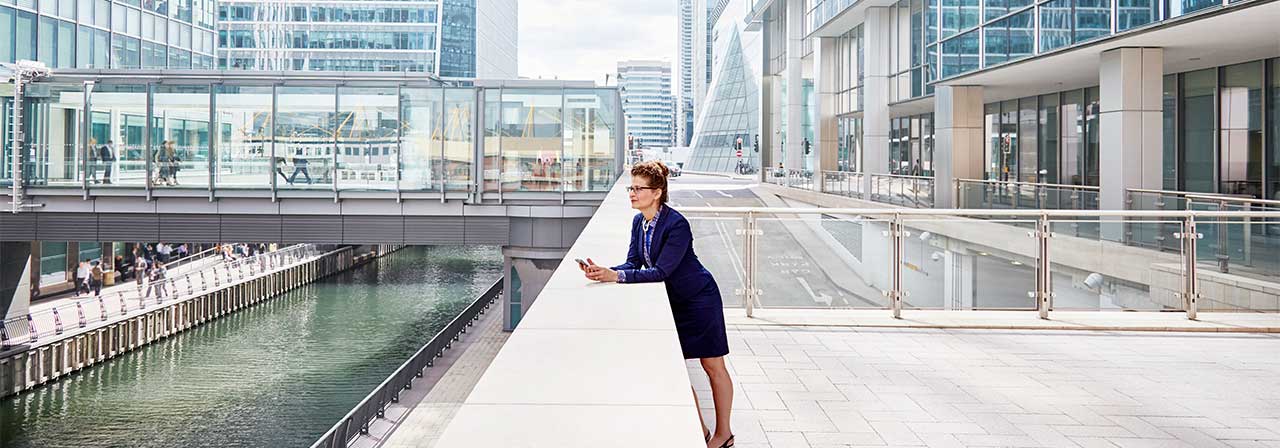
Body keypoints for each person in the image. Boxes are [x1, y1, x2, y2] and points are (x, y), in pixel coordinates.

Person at [580, 161, 735, 448]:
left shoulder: (676, 225)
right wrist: (605, 272)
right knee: (677, 366)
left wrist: (618, 277)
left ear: (657, 192)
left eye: (638, 188)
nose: (632, 193)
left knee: (712, 365)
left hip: (699, 299)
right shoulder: (639, 222)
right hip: (676, 301)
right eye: (631, 187)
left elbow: (662, 271)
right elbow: (633, 263)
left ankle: (724, 434)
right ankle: (700, 430)